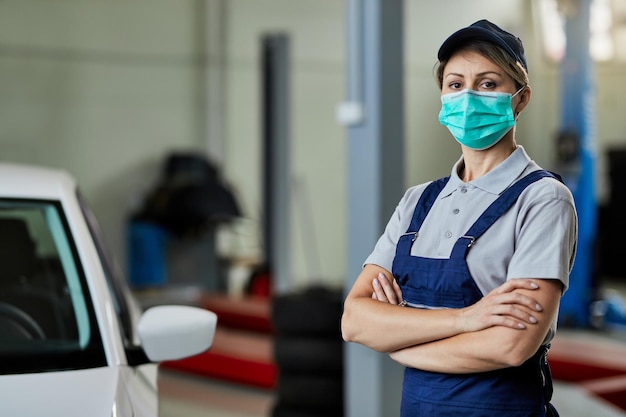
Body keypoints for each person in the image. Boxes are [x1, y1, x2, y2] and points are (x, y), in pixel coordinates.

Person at [341, 19, 577, 417]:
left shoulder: (543, 199)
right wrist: (469, 319)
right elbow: (354, 322)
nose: (468, 97)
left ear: (521, 98)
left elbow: (511, 345)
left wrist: (400, 340)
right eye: (455, 84)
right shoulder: (418, 201)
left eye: (488, 84)